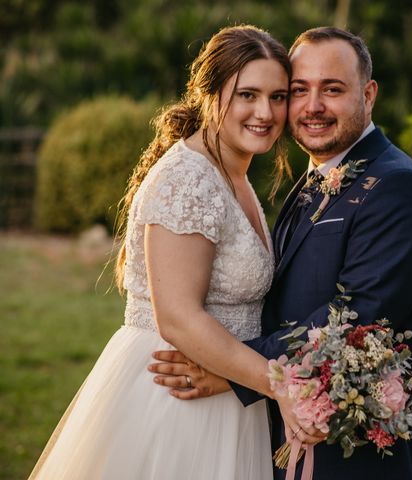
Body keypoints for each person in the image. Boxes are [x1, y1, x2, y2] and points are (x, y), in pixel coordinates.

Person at [152, 27, 412, 479]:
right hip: (305, 438)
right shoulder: (311, 182)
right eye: (299, 91)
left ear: (369, 94)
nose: (313, 106)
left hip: (379, 459)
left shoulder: (400, 189)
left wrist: (233, 371)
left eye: (333, 89)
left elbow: (358, 319)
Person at [28, 25, 307, 480]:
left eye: (278, 97)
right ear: (209, 95)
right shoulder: (189, 179)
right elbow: (177, 317)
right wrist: (282, 386)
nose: (266, 112)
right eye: (248, 95)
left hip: (224, 389)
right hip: (178, 399)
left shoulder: (234, 175)